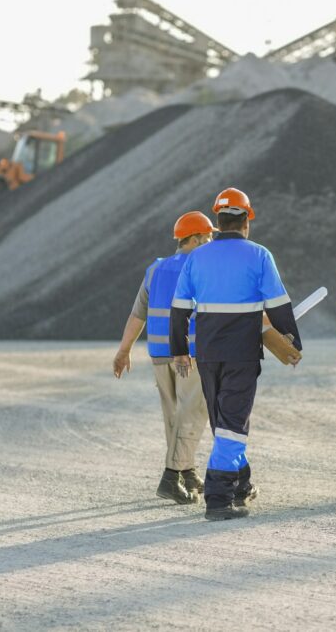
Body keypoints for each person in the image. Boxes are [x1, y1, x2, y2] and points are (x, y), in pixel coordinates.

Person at [170, 187, 302, 521]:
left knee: (222, 420)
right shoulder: (259, 255)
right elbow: (278, 305)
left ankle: (241, 485)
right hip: (242, 353)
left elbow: (179, 310)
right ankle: (218, 498)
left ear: (218, 221)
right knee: (231, 424)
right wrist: (293, 343)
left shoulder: (197, 257)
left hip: (208, 353)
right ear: (246, 221)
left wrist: (180, 350)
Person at [113, 211, 216, 505]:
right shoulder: (202, 267)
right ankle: (171, 477)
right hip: (191, 354)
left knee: (174, 417)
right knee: (193, 414)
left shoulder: (155, 269)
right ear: (195, 239)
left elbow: (138, 314)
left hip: (159, 354)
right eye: (208, 237)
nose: (211, 242)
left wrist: (123, 350)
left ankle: (187, 471)